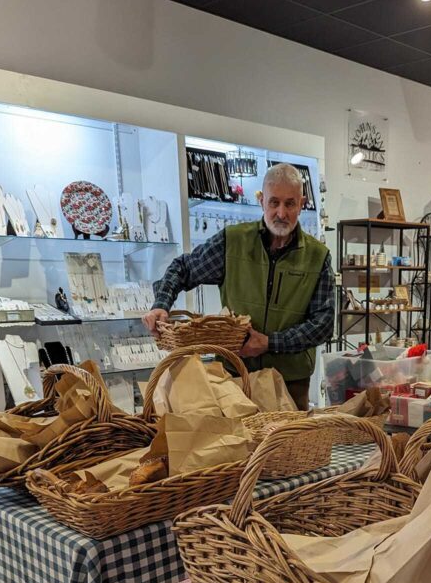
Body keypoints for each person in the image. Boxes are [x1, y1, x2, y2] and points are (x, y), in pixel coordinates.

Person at [142, 162, 335, 410]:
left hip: (291, 383)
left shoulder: (317, 256)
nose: (281, 213)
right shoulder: (232, 242)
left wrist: (270, 342)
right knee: (235, 446)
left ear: (302, 202)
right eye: (274, 202)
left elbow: (324, 323)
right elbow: (183, 268)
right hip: (233, 379)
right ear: (261, 200)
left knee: (287, 447)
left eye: (290, 203)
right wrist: (162, 304)